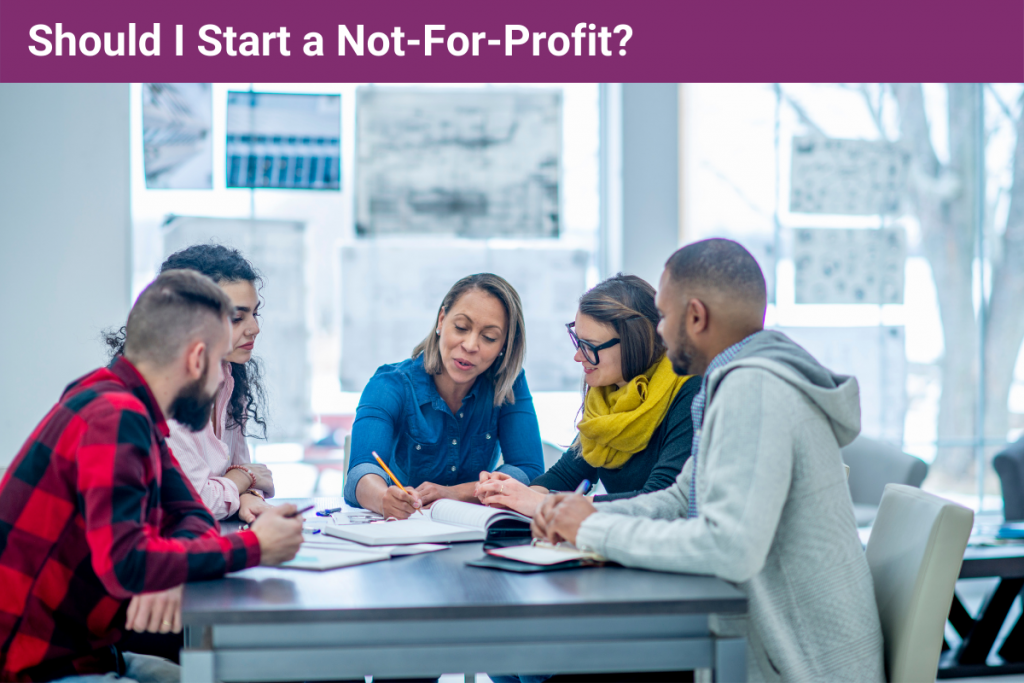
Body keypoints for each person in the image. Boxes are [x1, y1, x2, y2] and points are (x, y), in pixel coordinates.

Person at [532, 239, 886, 682]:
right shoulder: (738, 380)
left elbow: (729, 548)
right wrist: (582, 515)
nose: (657, 332)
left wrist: (593, 528)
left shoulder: (754, 390)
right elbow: (683, 496)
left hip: (795, 665)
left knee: (562, 668)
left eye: (663, 316)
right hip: (761, 641)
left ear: (696, 316)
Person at [0, 270, 304, 682]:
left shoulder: (127, 407)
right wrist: (256, 546)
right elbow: (128, 564)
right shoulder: (115, 418)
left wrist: (167, 568)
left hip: (89, 653)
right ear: (197, 360)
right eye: (218, 364)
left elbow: (191, 512)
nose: (221, 381)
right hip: (36, 668)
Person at [476, 274, 700, 517]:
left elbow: (660, 499)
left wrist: (544, 503)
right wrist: (515, 494)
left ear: (636, 342)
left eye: (590, 346)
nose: (579, 357)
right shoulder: (606, 393)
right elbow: (568, 474)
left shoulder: (689, 391)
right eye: (577, 341)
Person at [345, 273, 544, 519]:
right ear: (441, 320)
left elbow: (530, 470)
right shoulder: (390, 384)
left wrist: (457, 493)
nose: (470, 345)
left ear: (504, 345)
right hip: (404, 531)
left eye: (489, 337)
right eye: (461, 327)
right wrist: (382, 498)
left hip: (473, 533)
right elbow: (361, 472)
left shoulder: (508, 383)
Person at [108, 244, 275, 523]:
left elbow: (237, 475)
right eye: (236, 317)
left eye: (255, 314)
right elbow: (194, 501)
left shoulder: (229, 377)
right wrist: (243, 479)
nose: (254, 328)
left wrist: (245, 492)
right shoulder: (158, 395)